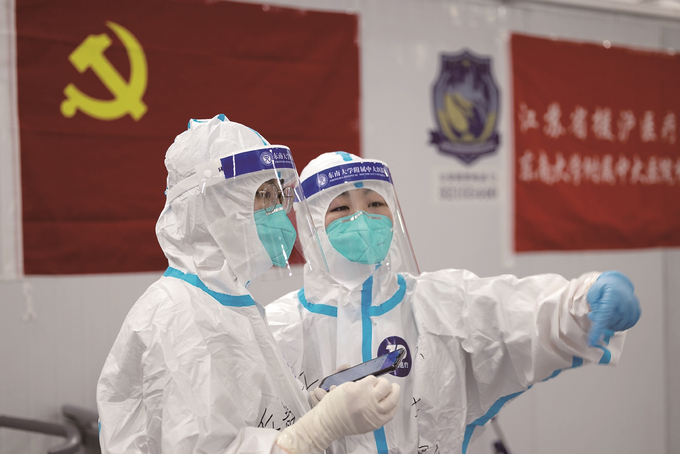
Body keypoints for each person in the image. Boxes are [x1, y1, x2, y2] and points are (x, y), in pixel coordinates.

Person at [265, 151, 641, 454]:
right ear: (310, 227)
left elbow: (518, 315)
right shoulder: (279, 330)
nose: (362, 219)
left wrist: (584, 301)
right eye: (341, 209)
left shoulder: (438, 302)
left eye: (375, 204)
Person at [96, 117, 401, 454]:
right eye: (263, 195)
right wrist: (320, 427)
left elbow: (253, 418)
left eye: (278, 196)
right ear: (213, 204)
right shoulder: (178, 316)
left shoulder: (226, 304)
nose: (277, 212)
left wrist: (311, 408)